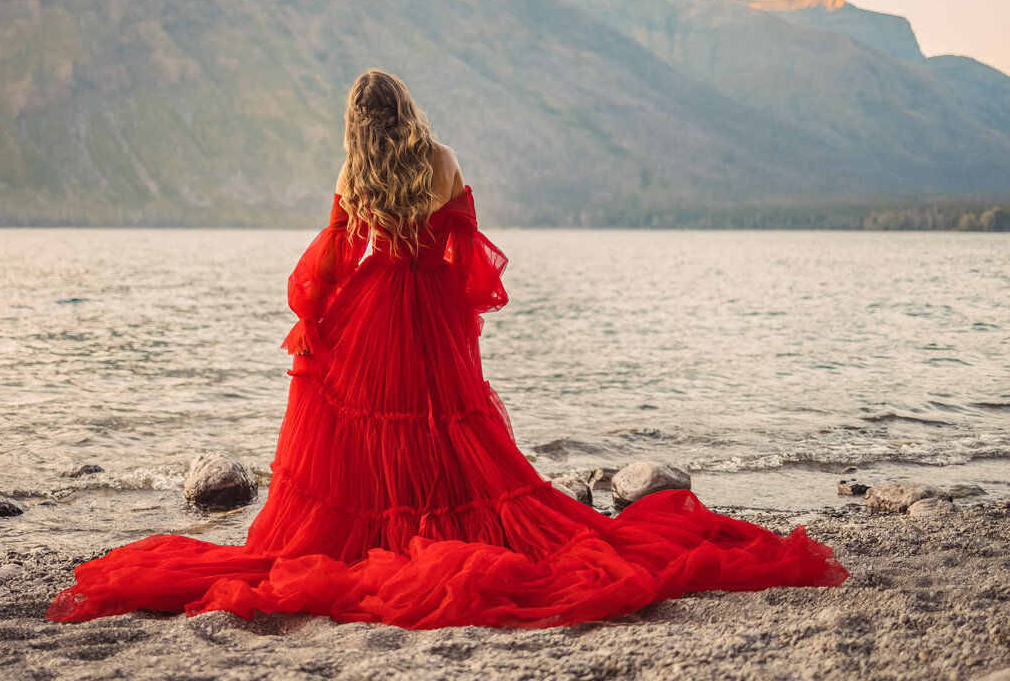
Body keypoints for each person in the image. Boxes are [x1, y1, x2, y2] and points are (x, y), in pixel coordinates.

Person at [47, 69, 848, 629]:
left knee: (372, 427)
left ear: (357, 124)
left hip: (375, 307)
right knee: (448, 420)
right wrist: (456, 302)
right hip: (428, 306)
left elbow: (331, 255)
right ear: (407, 110)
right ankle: (442, 518)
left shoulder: (351, 169)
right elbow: (466, 247)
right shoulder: (442, 160)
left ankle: (392, 527)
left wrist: (316, 314)